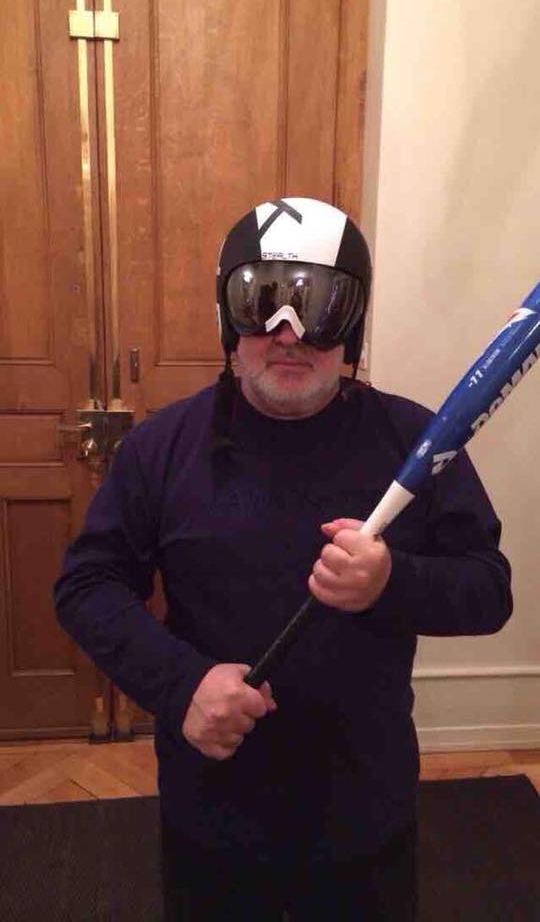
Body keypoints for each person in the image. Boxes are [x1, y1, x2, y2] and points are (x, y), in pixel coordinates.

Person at [54, 197, 512, 920]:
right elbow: (86, 585)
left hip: (365, 816)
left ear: (351, 327)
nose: (289, 332)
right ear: (227, 321)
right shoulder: (160, 449)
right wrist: (182, 684)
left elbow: (489, 590)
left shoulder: (416, 442)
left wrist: (392, 581)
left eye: (319, 305)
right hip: (213, 816)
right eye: (261, 301)